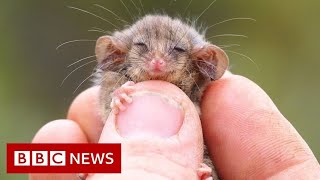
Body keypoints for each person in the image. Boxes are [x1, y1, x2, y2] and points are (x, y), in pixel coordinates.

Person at [30, 73, 320, 180]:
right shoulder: (115, 83)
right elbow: (105, 109)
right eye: (143, 47)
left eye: (175, 50)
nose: (157, 63)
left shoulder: (200, 93)